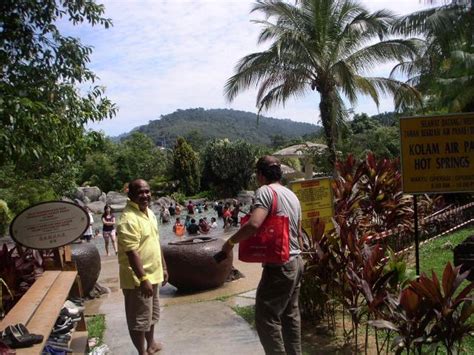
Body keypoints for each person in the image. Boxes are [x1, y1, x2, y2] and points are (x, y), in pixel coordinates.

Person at [220, 156, 304, 355]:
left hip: (281, 265)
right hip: (297, 261)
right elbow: (299, 233)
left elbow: (254, 224)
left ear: (260, 175)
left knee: (266, 317)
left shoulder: (265, 191)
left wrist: (229, 243)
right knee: (290, 315)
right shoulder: (291, 195)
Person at [117, 179, 168, 355]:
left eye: (147, 191)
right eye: (140, 192)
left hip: (154, 274)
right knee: (138, 320)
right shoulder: (128, 219)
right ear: (130, 194)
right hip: (137, 279)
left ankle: (151, 343)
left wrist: (164, 267)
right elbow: (132, 253)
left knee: (151, 315)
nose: (145, 195)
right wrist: (143, 278)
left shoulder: (150, 213)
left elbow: (155, 241)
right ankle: (141, 352)